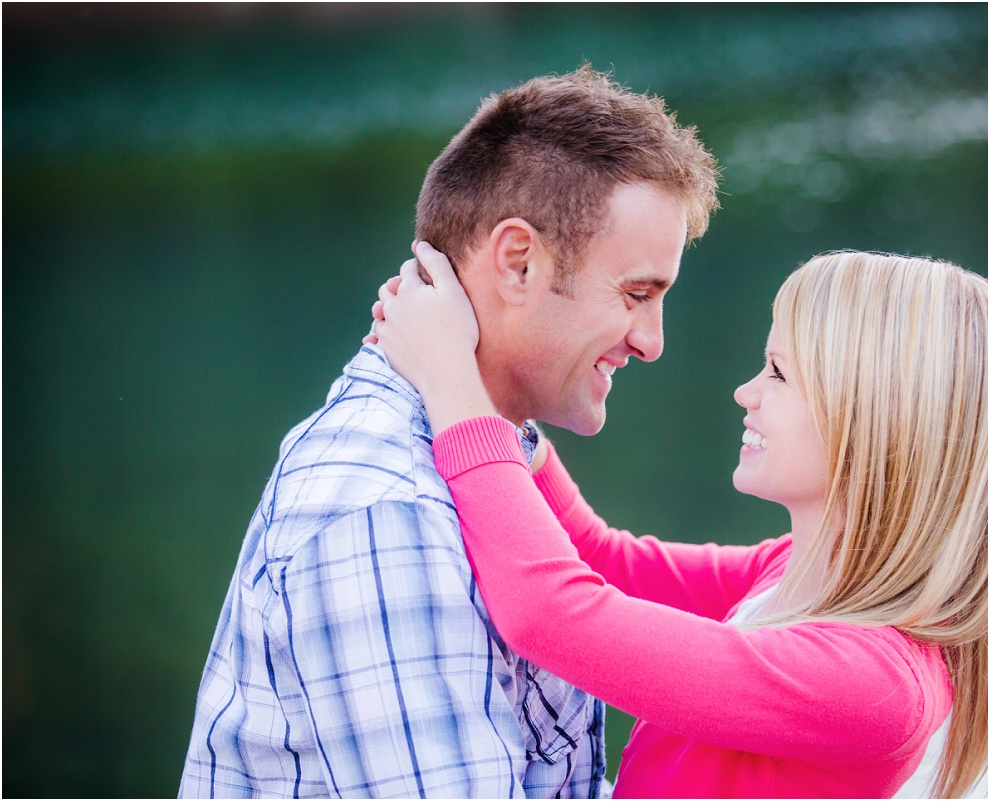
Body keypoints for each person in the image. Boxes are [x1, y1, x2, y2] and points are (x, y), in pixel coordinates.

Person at [179, 66, 719, 798]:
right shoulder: (383, 514)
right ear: (517, 262)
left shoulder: (481, 461)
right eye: (636, 293)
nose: (652, 341)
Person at [368, 246, 988, 798]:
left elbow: (551, 614)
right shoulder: (795, 572)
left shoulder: (872, 685)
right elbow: (604, 559)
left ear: (873, 416)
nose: (747, 392)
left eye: (778, 373)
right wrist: (505, 404)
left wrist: (452, 384)